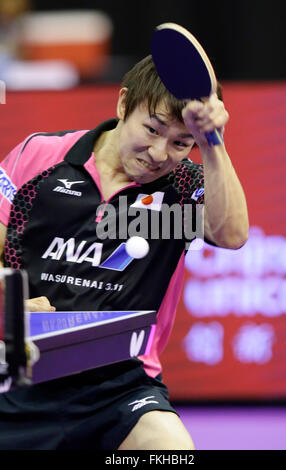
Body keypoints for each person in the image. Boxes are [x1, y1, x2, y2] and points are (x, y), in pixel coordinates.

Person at [0, 55, 248, 450]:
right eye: (152, 129)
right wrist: (9, 305)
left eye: (181, 143)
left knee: (170, 452)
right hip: (19, 374)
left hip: (119, 388)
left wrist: (212, 142)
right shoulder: (41, 157)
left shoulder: (183, 189)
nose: (159, 152)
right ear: (122, 104)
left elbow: (232, 235)